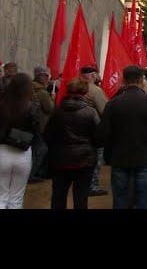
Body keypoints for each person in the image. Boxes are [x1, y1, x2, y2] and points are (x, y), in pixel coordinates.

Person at [100, 65, 147, 209]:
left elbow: (104, 133)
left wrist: (109, 153)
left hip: (119, 157)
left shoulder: (112, 104)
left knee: (120, 197)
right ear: (141, 80)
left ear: (123, 80)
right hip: (144, 156)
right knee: (143, 197)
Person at [44, 78, 101, 209]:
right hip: (84, 160)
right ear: (85, 92)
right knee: (81, 197)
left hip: (59, 159)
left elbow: (47, 135)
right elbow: (99, 138)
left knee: (58, 195)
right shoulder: (90, 112)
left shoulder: (57, 111)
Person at [0, 73, 39, 209]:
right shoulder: (32, 107)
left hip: (3, 152)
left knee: (1, 196)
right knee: (16, 198)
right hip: (23, 153)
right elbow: (36, 132)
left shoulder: (2, 105)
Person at [80, 66, 109, 196]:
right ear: (92, 75)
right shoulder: (95, 91)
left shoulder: (75, 87)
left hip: (76, 128)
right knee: (96, 159)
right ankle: (92, 186)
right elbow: (104, 110)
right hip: (92, 128)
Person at [29, 66, 55, 183]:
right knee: (40, 150)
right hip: (41, 125)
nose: (47, 79)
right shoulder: (42, 92)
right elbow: (50, 109)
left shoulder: (30, 88)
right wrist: (53, 98)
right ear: (40, 76)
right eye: (46, 76)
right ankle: (32, 174)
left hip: (33, 124)